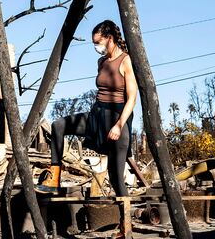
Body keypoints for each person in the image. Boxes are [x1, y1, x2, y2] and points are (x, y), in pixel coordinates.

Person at [36, 20, 138, 237]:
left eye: (98, 42)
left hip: (117, 120)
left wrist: (120, 125)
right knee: (59, 125)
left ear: (109, 38)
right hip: (96, 116)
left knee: (117, 180)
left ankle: (125, 227)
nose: (96, 47)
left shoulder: (126, 61)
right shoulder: (101, 62)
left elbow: (132, 98)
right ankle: (54, 177)